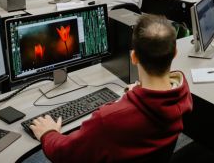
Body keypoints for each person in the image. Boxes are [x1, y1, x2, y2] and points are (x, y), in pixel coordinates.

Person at [30, 15, 193, 162]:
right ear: (175, 53)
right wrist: (136, 93)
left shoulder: (108, 119)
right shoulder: (182, 93)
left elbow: (64, 153)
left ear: (134, 57)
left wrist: (48, 134)